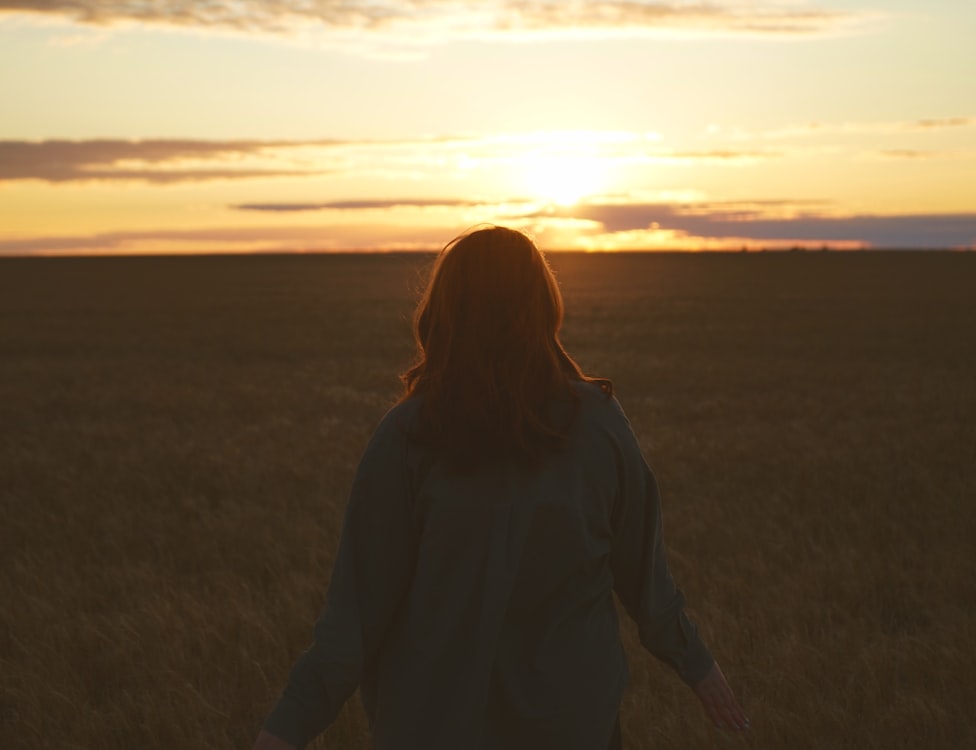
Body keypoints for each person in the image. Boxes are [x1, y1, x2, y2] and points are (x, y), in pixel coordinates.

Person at [252, 226, 748, 750]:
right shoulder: (599, 424)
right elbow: (646, 581)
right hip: (574, 727)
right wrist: (698, 666)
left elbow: (353, 620)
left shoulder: (409, 434)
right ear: (543, 309)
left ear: (444, 312)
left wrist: (285, 729)